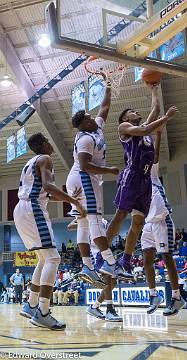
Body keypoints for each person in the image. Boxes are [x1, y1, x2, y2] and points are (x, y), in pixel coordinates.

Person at [14, 132, 86, 330]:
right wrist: (75, 203)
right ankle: (42, 312)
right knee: (54, 259)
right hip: (32, 209)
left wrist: (68, 196)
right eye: (48, 140)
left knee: (44, 259)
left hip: (23, 209)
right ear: (44, 144)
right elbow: (48, 186)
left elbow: (44, 192)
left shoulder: (31, 162)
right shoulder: (46, 158)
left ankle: (31, 305)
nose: (50, 143)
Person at [106, 85, 178, 272]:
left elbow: (154, 110)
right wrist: (167, 118)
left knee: (137, 222)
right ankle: (102, 255)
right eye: (131, 112)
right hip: (132, 175)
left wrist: (154, 90)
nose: (135, 112)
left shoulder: (144, 132)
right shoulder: (124, 128)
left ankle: (126, 260)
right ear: (124, 118)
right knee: (121, 214)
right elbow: (146, 129)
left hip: (145, 180)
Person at [66, 80, 130, 284]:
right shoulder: (85, 138)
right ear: (84, 124)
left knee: (84, 224)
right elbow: (84, 165)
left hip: (81, 179)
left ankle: (88, 265)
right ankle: (110, 263)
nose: (93, 117)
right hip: (83, 177)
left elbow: (105, 107)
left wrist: (108, 86)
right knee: (93, 221)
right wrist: (109, 170)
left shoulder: (97, 127)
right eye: (88, 118)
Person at [140, 128, 185, 316]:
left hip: (162, 221)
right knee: (146, 261)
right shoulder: (135, 184)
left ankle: (176, 297)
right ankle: (154, 295)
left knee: (166, 257)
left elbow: (156, 154)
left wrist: (157, 135)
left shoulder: (151, 174)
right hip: (147, 225)